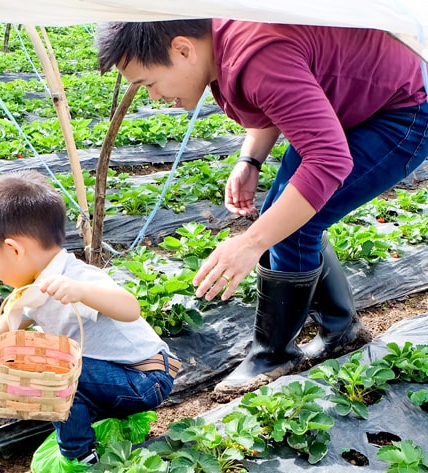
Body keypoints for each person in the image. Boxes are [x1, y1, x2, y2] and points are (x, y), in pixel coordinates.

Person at [96, 20, 428, 395]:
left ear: (183, 50)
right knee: (288, 216)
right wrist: (250, 160)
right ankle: (341, 330)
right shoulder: (225, 44)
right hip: (354, 103)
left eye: (149, 83)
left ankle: (275, 354)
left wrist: (251, 242)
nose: (153, 97)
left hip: (402, 107)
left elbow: (326, 157)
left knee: (293, 224)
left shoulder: (257, 55)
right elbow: (277, 97)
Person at [0, 170, 180, 471]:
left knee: (52, 374)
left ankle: (79, 455)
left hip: (145, 377)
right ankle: (110, 420)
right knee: (56, 368)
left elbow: (130, 308)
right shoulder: (34, 288)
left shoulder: (75, 277)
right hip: (117, 374)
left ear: (14, 249)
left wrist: (82, 292)